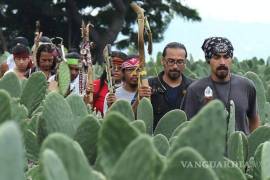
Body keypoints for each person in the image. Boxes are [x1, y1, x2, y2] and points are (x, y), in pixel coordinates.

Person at [184, 37, 259, 134]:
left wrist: (252, 145)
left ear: (231, 59)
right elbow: (188, 128)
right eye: (216, 57)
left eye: (226, 57)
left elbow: (254, 119)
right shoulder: (195, 89)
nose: (222, 62)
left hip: (239, 148)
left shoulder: (246, 86)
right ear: (208, 60)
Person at [138, 42, 193, 129]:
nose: (175, 66)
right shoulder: (148, 85)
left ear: (185, 63)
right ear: (163, 61)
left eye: (180, 62)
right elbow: (133, 117)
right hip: (156, 141)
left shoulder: (193, 88)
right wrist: (139, 99)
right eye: (171, 61)